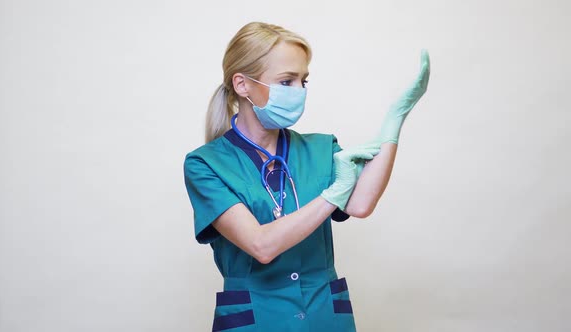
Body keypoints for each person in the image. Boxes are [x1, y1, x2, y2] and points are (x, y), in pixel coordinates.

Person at [183, 22, 429, 332]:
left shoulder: (321, 148)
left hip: (324, 315)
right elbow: (261, 245)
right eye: (286, 81)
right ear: (243, 84)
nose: (299, 91)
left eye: (303, 80)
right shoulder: (205, 165)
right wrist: (332, 194)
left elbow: (361, 204)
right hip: (257, 320)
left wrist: (395, 121)